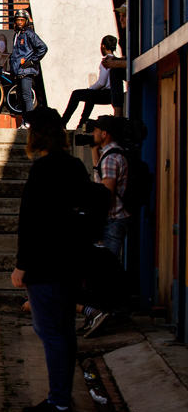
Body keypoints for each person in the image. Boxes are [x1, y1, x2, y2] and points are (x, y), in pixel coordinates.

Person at [11, 106, 90, 412]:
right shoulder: (75, 167)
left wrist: (22, 265)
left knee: (51, 334)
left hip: (45, 266)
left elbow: (31, 222)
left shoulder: (42, 170)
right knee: (65, 333)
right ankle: (61, 398)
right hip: (70, 264)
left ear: (36, 134)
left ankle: (58, 402)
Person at [80, 115, 132, 337]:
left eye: (96, 130)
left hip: (112, 218)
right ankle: (110, 311)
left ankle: (112, 312)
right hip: (114, 218)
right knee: (106, 267)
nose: (92, 134)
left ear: (105, 133)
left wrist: (95, 216)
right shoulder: (108, 155)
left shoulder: (111, 158)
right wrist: (93, 152)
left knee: (106, 270)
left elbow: (106, 192)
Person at [61, 36, 122, 128]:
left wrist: (90, 89)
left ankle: (63, 122)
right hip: (114, 94)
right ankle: (82, 123)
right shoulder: (117, 61)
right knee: (90, 96)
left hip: (107, 94)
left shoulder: (105, 61)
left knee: (76, 94)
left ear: (103, 46)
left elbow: (102, 82)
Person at [9, 8, 48, 124]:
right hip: (18, 72)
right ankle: (24, 121)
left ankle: (29, 122)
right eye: (18, 20)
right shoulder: (17, 35)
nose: (20, 22)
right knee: (21, 98)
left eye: (22, 20)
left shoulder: (29, 34)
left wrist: (31, 61)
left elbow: (43, 48)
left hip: (26, 71)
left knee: (27, 97)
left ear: (26, 21)